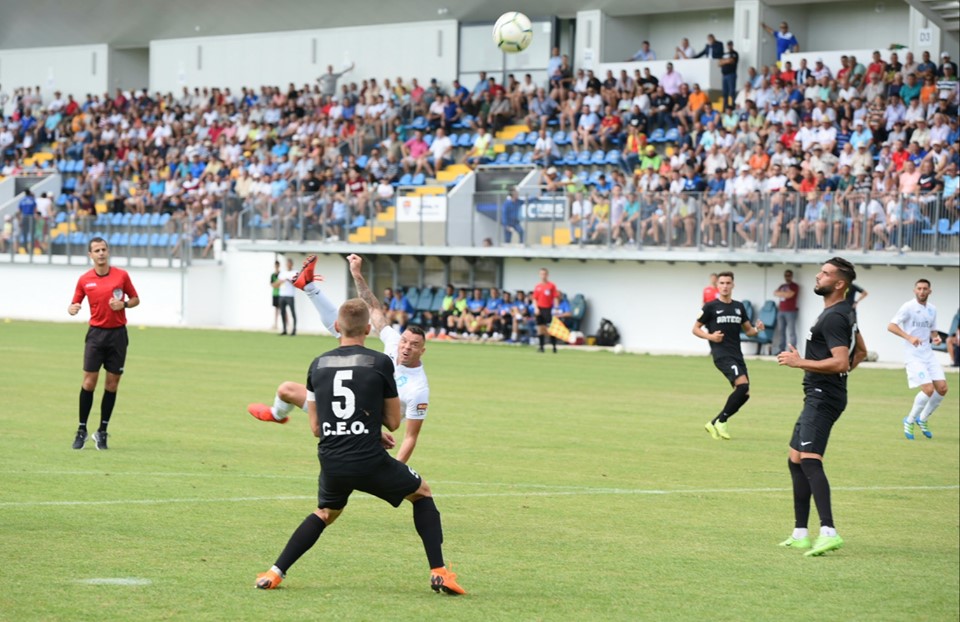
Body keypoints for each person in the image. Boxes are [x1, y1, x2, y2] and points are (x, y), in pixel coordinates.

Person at [253, 297, 465, 595]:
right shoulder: (380, 362)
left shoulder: (318, 364)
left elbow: (316, 428)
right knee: (422, 493)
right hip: (369, 460)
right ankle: (440, 573)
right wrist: (373, 430)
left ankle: (274, 573)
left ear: (337, 327)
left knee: (325, 513)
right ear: (367, 329)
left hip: (331, 460)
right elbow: (393, 423)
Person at [249, 255, 431, 466]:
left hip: (364, 424)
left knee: (348, 338)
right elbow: (373, 308)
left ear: (422, 351)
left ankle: (309, 288)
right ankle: (276, 414)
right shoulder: (392, 343)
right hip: (351, 411)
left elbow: (410, 437)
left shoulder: (418, 388)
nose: (406, 347)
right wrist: (356, 274)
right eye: (404, 341)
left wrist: (397, 467)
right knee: (285, 389)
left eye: (413, 345)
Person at [776, 257, 867, 557]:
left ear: (839, 283)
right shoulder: (842, 311)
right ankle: (800, 533)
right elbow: (860, 352)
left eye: (825, 273)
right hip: (820, 393)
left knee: (810, 460)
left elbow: (841, 361)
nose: (818, 276)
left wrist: (800, 362)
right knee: (795, 459)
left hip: (823, 396)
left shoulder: (835, 317)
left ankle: (829, 532)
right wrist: (836, 375)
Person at [67, 237, 140, 450]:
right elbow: (75, 302)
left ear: (108, 252)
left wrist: (123, 304)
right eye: (97, 250)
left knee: (112, 384)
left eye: (103, 249)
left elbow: (135, 299)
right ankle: (81, 429)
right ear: (90, 255)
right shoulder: (84, 280)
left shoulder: (121, 275)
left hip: (118, 335)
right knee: (89, 382)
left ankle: (102, 431)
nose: (101, 253)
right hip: (96, 335)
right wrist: (72, 308)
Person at [692, 272, 764, 440]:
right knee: (742, 385)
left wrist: (758, 329)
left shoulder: (739, 307)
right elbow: (695, 329)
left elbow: (748, 331)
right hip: (722, 354)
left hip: (737, 354)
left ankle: (714, 422)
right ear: (717, 285)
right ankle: (722, 421)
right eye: (722, 283)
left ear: (733, 285)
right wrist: (711, 337)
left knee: (744, 394)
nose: (725, 286)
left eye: (728, 283)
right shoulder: (710, 307)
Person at [887, 279, 949, 440]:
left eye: (925, 289)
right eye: (919, 288)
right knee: (928, 389)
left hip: (928, 354)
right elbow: (891, 326)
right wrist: (909, 337)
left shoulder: (932, 309)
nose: (922, 291)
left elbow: (933, 330)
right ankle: (909, 420)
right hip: (913, 356)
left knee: (942, 388)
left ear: (930, 291)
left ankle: (923, 419)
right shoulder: (908, 307)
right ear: (914, 290)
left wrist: (936, 338)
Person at [533, 267, 560, 353]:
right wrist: (536, 308)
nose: (543, 276)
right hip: (540, 309)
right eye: (541, 274)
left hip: (548, 309)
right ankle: (541, 347)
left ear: (547, 275)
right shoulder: (537, 286)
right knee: (540, 328)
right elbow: (535, 299)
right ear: (539, 275)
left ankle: (554, 347)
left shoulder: (551, 286)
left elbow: (555, 298)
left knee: (550, 328)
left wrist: (556, 308)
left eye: (544, 274)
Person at [773, 269, 800, 354]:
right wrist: (784, 293)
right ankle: (781, 349)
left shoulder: (794, 286)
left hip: (790, 311)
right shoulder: (782, 285)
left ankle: (792, 350)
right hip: (781, 311)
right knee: (781, 331)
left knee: (791, 332)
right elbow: (775, 293)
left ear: (791, 276)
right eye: (786, 275)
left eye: (789, 275)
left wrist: (782, 293)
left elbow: (790, 295)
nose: (787, 277)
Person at [273, 258, 298, 336]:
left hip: (290, 295)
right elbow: (276, 284)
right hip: (282, 295)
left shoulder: (295, 272)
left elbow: (297, 284)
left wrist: (289, 280)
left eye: (289, 263)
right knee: (282, 312)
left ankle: (294, 330)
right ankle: (284, 329)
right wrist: (280, 281)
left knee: (292, 312)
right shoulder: (282, 273)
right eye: (287, 263)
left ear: (292, 264)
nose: (288, 265)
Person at [270, 260, 281, 331]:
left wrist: (276, 284)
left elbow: (281, 284)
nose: (276, 266)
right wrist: (277, 283)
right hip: (275, 294)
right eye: (275, 265)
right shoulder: (272, 275)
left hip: (281, 294)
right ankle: (276, 324)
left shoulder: (281, 274)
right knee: (276, 310)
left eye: (277, 265)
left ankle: (288, 325)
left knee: (283, 309)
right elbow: (272, 285)